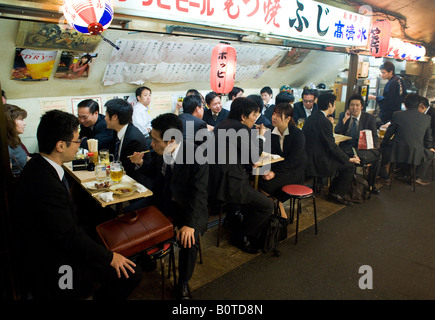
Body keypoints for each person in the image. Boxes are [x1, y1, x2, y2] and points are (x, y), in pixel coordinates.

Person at [14, 110, 142, 300]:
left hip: (56, 242)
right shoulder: (45, 184)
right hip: (53, 262)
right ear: (60, 145)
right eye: (76, 141)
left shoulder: (39, 166)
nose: (79, 145)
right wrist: (110, 257)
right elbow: (69, 237)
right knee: (131, 274)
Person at [129, 113, 209, 300]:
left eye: (155, 140)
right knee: (129, 213)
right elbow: (156, 174)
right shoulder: (160, 152)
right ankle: (146, 258)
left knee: (190, 240)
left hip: (187, 207)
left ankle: (182, 283)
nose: (151, 144)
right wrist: (140, 163)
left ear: (172, 140)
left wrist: (189, 224)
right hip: (162, 201)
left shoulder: (197, 156)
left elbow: (199, 195)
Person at [209, 97, 274, 253]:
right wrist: (260, 136)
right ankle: (242, 236)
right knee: (267, 205)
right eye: (253, 115)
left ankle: (231, 221)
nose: (254, 119)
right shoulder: (241, 129)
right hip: (232, 183)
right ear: (243, 116)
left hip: (217, 180)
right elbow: (254, 157)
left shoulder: (222, 124)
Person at [303, 93, 360, 206]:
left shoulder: (311, 118)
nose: (334, 107)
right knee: (349, 166)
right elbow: (332, 147)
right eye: (334, 104)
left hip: (308, 157)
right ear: (330, 104)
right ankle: (336, 194)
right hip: (319, 161)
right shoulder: (325, 122)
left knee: (341, 160)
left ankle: (332, 190)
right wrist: (348, 159)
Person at [259, 103, 307, 217]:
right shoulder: (271, 131)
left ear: (288, 118)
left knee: (265, 186)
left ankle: (281, 215)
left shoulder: (297, 134)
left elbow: (294, 160)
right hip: (279, 169)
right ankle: (275, 211)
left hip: (294, 171)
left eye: (279, 115)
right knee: (255, 180)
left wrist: (274, 173)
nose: (274, 117)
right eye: (274, 114)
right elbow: (268, 153)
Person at [380, 93, 434, 185]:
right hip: (415, 154)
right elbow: (428, 138)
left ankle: (386, 177)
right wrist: (429, 147)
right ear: (418, 104)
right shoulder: (426, 118)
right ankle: (416, 177)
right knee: (431, 154)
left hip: (396, 152)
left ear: (405, 104)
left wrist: (383, 144)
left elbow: (389, 133)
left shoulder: (397, 115)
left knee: (379, 154)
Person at [334, 94, 382, 194]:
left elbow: (374, 135)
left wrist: (374, 148)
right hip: (347, 147)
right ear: (349, 106)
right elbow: (337, 131)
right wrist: (344, 121)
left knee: (378, 156)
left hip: (362, 148)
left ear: (362, 107)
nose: (354, 108)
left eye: (357, 105)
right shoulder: (344, 115)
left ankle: (371, 185)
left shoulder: (369, 118)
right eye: (352, 105)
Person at [105, 98, 150, 180]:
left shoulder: (133, 139)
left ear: (115, 117)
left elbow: (128, 169)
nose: (105, 118)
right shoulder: (117, 130)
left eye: (106, 115)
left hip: (133, 182)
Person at [368, 61, 407, 126]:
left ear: (391, 72)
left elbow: (388, 101)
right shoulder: (399, 80)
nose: (382, 75)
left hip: (389, 115)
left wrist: (373, 97)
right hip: (397, 113)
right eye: (381, 73)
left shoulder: (392, 83)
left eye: (384, 73)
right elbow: (404, 96)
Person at [5, 104, 30, 178]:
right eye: (21, 119)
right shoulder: (6, 148)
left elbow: (25, 158)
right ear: (9, 122)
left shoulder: (14, 140)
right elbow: (8, 178)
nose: (24, 123)